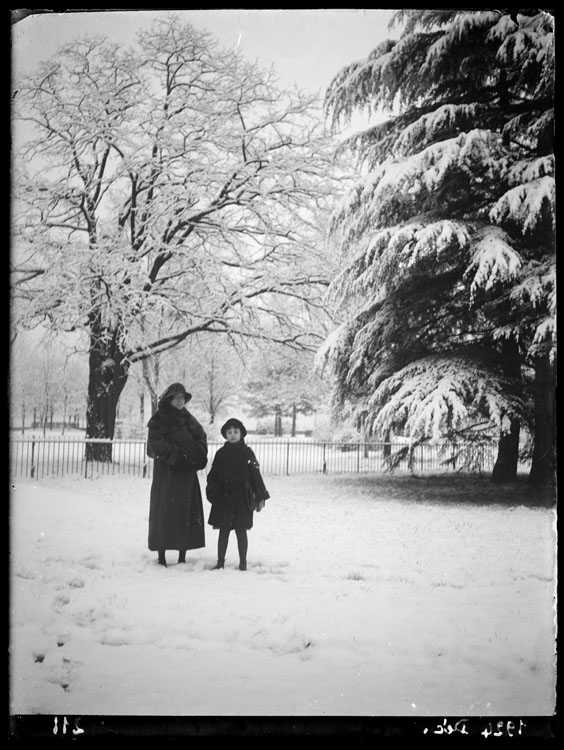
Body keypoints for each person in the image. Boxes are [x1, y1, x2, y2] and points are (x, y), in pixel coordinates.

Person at [146, 382, 208, 567]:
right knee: (164, 512)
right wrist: (177, 455)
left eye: (183, 398)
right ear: (169, 399)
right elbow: (155, 445)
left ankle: (182, 554)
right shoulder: (159, 419)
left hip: (186, 475)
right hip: (167, 474)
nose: (181, 401)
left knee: (185, 512)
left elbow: (201, 439)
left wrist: (192, 454)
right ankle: (162, 555)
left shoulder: (189, 419)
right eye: (177, 397)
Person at [206, 418, 270, 571]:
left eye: (236, 432)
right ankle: (220, 561)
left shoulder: (247, 453)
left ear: (241, 434)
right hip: (225, 498)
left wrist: (260, 495)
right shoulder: (221, 454)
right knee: (224, 531)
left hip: (243, 499)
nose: (232, 435)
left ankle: (243, 562)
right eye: (229, 432)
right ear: (225, 435)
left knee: (241, 531)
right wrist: (214, 491)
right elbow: (213, 475)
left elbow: (255, 474)